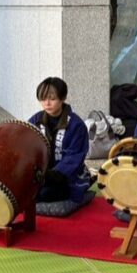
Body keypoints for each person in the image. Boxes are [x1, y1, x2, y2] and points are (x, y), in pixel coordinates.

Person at [28, 77, 94, 215]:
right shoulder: (36, 120)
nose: (47, 103)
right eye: (43, 99)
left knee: (45, 193)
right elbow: (26, 146)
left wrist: (52, 176)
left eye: (52, 99)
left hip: (66, 176)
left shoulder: (76, 125)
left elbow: (74, 156)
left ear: (63, 98)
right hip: (41, 175)